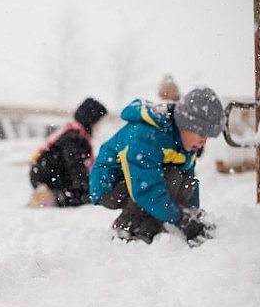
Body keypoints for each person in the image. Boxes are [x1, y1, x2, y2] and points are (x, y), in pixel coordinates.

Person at [89, 88, 224, 245]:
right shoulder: (147, 135)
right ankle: (127, 228)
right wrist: (180, 219)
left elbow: (189, 181)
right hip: (109, 185)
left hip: (138, 181)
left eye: (207, 137)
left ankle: (153, 225)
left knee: (183, 178)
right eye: (201, 134)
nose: (203, 142)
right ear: (185, 125)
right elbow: (146, 189)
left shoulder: (184, 144)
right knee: (170, 177)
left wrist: (193, 216)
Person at [28, 98, 107, 207]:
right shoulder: (75, 139)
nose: (99, 127)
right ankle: (53, 198)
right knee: (85, 196)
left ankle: (53, 195)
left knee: (85, 192)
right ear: (91, 120)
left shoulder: (73, 133)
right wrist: (90, 187)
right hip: (48, 178)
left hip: (46, 175)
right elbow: (76, 169)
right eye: (98, 122)